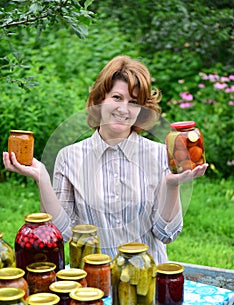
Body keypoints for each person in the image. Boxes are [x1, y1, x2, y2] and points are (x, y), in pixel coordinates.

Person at [3, 55, 208, 264]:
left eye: (134, 102)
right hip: (91, 287)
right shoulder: (69, 157)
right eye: (117, 98)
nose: (124, 109)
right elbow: (61, 235)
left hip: (149, 281)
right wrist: (42, 178)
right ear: (100, 99)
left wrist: (171, 186)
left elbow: (167, 234)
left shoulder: (160, 155)